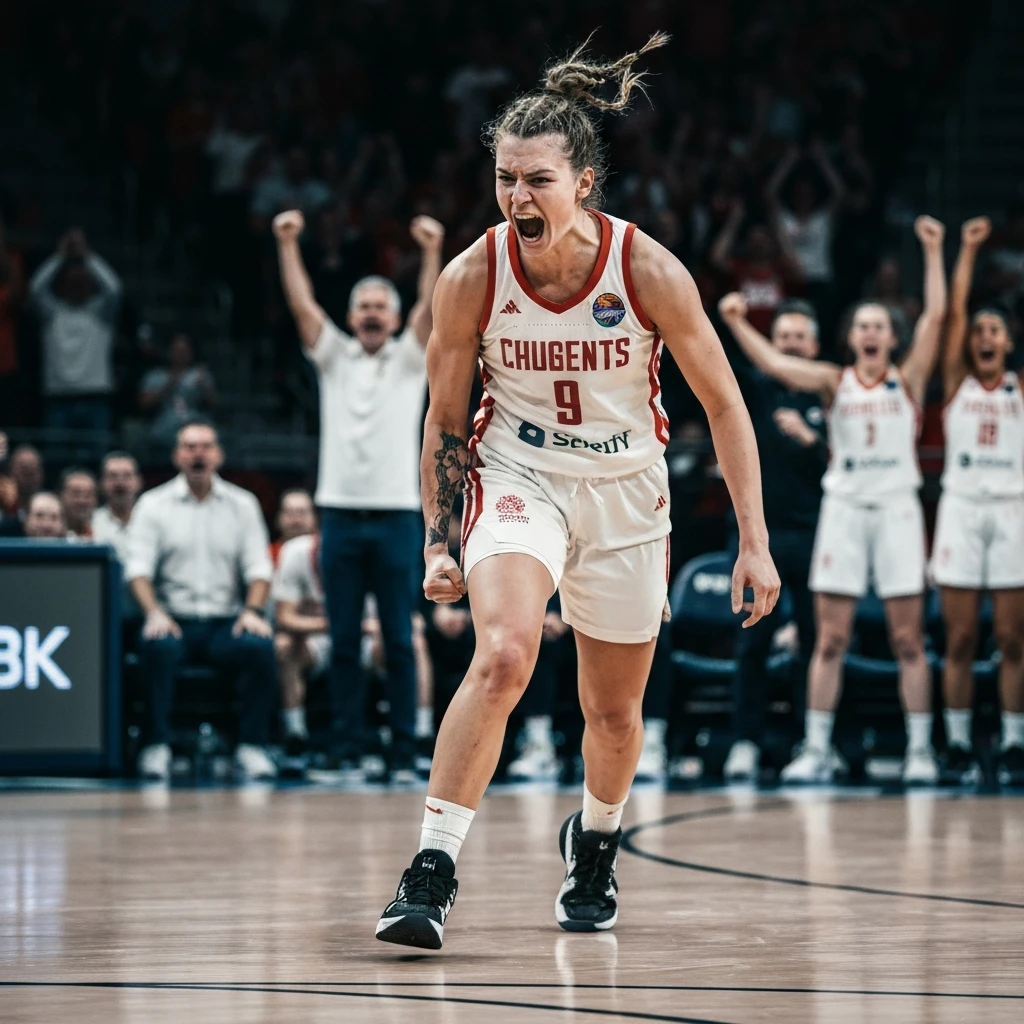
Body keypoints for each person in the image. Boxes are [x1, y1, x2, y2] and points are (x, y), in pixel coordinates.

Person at [374, 33, 779, 950]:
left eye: (538, 180)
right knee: (506, 653)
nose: (518, 196)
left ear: (583, 182)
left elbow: (724, 403)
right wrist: (439, 539)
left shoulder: (647, 270)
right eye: (506, 179)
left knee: (613, 712)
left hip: (628, 490)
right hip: (518, 475)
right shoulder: (472, 275)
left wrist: (753, 540)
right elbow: (445, 420)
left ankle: (593, 843)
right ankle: (431, 869)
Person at [723, 216, 947, 786]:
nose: (871, 332)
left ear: (892, 338)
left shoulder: (910, 379)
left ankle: (921, 750)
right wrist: (737, 323)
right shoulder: (832, 381)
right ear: (851, 339)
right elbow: (775, 364)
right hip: (844, 510)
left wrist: (934, 251)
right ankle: (816, 748)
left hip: (896, 508)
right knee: (830, 639)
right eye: (862, 325)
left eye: (880, 326)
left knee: (907, 639)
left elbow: (939, 318)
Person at [273, 207, 445, 780]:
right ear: (350, 316)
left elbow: (429, 306)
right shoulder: (334, 357)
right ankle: (345, 748)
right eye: (364, 307)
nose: (372, 315)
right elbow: (301, 307)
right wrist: (288, 244)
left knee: (398, 638)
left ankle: (401, 752)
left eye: (380, 307)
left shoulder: (409, 358)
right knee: (343, 639)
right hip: (340, 514)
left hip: (398, 515)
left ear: (394, 319)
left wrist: (430, 252)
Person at [126, 420, 278, 782]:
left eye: (205, 446)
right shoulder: (153, 504)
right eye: (190, 447)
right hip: (172, 619)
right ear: (177, 456)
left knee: (258, 647)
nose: (198, 454)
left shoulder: (242, 505)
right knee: (157, 648)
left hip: (225, 622)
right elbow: (137, 570)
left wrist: (253, 611)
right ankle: (156, 746)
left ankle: (252, 747)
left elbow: (259, 567)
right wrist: (154, 612)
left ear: (218, 455)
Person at [718, 297, 828, 780]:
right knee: (752, 645)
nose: (789, 345)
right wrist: (735, 324)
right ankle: (745, 742)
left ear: (816, 345)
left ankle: (814, 744)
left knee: (817, 644)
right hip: (755, 539)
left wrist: (812, 440)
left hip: (816, 538)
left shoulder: (830, 392)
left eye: (799, 336)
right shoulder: (755, 390)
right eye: (782, 336)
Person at [932, 216, 1024, 787]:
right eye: (980, 331)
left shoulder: (1018, 387)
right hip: (962, 509)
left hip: (1013, 509)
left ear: (1009, 343)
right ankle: (960, 743)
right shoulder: (956, 383)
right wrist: (966, 251)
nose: (985, 335)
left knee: (1014, 639)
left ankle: (1015, 742)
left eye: (996, 330)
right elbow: (957, 314)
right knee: (961, 638)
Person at [28, 228, 122, 438]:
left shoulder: (100, 313)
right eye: (71, 281)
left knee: (98, 458)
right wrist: (60, 257)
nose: (76, 285)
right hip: (58, 397)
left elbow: (114, 288)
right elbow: (36, 289)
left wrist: (86, 255)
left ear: (90, 283)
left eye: (82, 280)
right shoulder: (53, 313)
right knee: (57, 460)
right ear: (62, 284)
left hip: (95, 395)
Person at [272, 524, 329, 759]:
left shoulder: (370, 550)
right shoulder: (296, 552)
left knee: (411, 643)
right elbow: (284, 618)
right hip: (315, 640)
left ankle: (417, 736)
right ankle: (295, 736)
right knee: (284, 645)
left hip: (365, 640)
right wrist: (336, 624)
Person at [137, 333, 217, 451]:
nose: (181, 354)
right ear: (169, 351)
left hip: (194, 423)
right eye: (177, 350)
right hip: (165, 426)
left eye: (185, 350)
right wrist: (169, 384)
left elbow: (214, 404)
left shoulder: (200, 374)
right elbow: (143, 403)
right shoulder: (156, 375)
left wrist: (204, 386)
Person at [92, 451, 144, 621]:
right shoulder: (91, 523)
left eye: (127, 476)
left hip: (147, 614)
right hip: (102, 613)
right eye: (113, 476)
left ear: (138, 482)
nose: (120, 483)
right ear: (102, 483)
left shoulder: (154, 521)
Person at [0, 444, 44, 536]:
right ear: (11, 471)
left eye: (32, 471)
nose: (28, 479)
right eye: (24, 470)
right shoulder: (2, 505)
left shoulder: (50, 505)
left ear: (41, 474)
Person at [269, 488, 317, 567]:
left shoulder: (323, 553)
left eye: (302, 513)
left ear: (314, 518)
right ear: (279, 518)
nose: (296, 520)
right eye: (290, 513)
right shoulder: (266, 556)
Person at [59, 467, 98, 539]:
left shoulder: (105, 532)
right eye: (76, 494)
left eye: (88, 495)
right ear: (62, 496)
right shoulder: (49, 531)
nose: (82, 501)